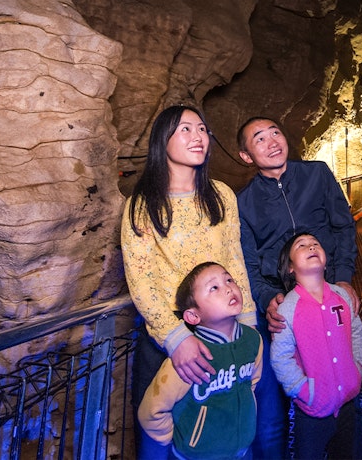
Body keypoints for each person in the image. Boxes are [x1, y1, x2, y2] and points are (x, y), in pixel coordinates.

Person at [122, 105, 259, 459]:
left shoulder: (221, 195)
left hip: (227, 331)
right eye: (185, 129)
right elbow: (141, 279)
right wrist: (177, 337)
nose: (197, 136)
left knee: (227, 425)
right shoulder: (142, 205)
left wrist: (247, 324)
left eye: (202, 129)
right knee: (160, 440)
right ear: (161, 140)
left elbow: (234, 261)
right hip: (171, 338)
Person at [235, 116, 360, 458]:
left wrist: (345, 277)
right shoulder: (243, 203)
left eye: (275, 132)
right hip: (281, 306)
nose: (272, 141)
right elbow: (247, 260)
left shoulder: (316, 174)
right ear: (247, 155)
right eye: (259, 139)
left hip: (327, 293)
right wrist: (265, 299)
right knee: (276, 399)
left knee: (340, 376)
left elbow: (343, 226)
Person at [138, 262, 263, 460]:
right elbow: (152, 411)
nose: (228, 287)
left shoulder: (253, 339)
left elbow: (251, 383)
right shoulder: (190, 357)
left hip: (242, 452)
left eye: (229, 279)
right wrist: (182, 442)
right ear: (193, 315)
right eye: (214, 288)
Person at [271, 233, 362, 460]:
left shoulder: (342, 296)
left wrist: (358, 366)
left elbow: (356, 331)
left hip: (348, 402)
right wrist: (303, 390)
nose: (311, 246)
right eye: (301, 245)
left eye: (316, 243)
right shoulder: (288, 308)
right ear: (290, 267)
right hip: (312, 410)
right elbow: (280, 357)